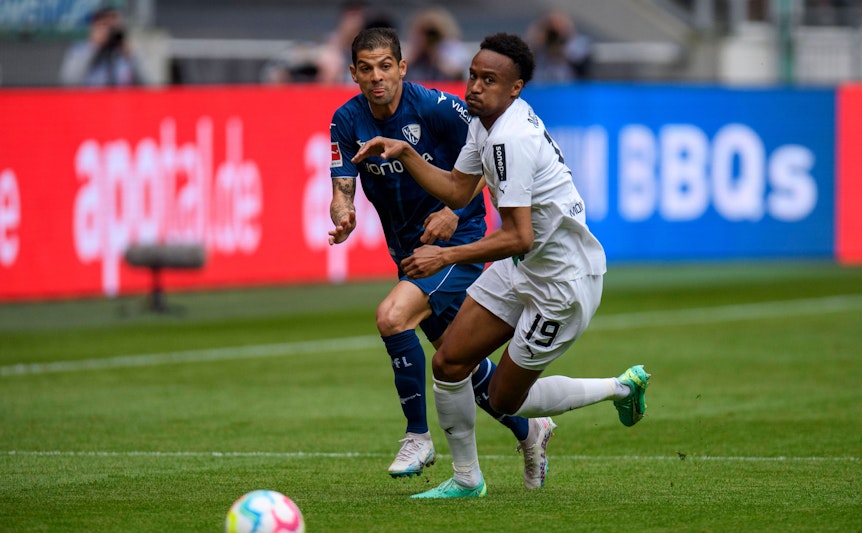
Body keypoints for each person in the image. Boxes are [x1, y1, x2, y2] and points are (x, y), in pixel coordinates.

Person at [353, 32, 650, 499]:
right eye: (472, 76)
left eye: (488, 80)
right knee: (450, 361)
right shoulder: (483, 122)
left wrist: (445, 254)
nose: (473, 87)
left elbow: (518, 234)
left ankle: (620, 387)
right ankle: (468, 479)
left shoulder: (510, 138)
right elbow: (456, 188)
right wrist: (407, 152)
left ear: (516, 89)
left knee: (504, 399)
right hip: (524, 267)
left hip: (562, 284)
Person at [329, 27, 555, 488]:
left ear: (402, 67)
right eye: (366, 69)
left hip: (456, 245)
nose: (377, 77)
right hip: (411, 254)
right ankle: (531, 428)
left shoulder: (437, 108)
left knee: (392, 317)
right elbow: (341, 186)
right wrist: (343, 210)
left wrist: (454, 210)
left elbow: (484, 159)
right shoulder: (345, 121)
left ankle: (417, 436)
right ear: (353, 73)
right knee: (459, 366)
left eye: (386, 66)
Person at [59, 4, 146, 87]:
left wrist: (131, 56)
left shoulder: (126, 53)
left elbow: (147, 87)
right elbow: (69, 81)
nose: (109, 30)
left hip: (122, 100)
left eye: (113, 25)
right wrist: (94, 46)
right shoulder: (80, 50)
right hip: (92, 100)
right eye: (104, 24)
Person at [404, 7, 470, 82]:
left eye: (432, 33)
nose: (429, 37)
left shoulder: (453, 47)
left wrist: (435, 54)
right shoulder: (412, 48)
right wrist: (417, 49)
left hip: (444, 89)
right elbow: (396, 69)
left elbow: (458, 73)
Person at [526, 10, 593, 83]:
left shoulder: (574, 44)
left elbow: (579, 57)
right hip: (540, 88)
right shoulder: (538, 47)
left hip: (567, 88)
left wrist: (564, 38)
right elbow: (525, 58)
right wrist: (535, 38)